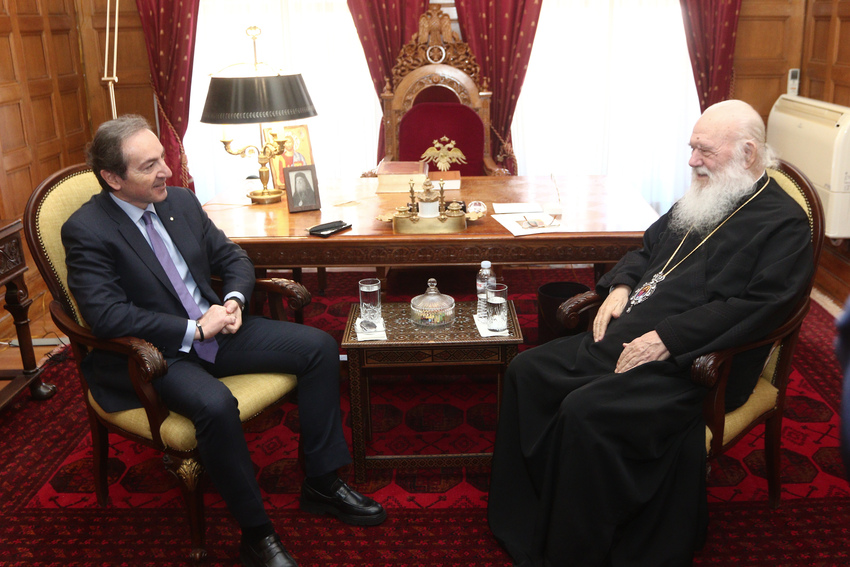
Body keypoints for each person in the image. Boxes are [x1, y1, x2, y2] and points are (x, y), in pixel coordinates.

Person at [488, 100, 815, 566]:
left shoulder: (785, 224)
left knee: (585, 411)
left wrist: (670, 338)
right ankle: (528, 516)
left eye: (705, 151)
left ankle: (576, 548)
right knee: (526, 370)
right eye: (691, 148)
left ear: (747, 153)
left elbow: (764, 307)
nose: (692, 161)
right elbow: (648, 247)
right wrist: (622, 285)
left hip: (697, 363)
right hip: (632, 333)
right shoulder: (708, 193)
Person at [62, 115, 386, 567]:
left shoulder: (179, 201)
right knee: (215, 404)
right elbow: (105, 315)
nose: (166, 171)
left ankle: (322, 482)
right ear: (113, 178)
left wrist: (233, 301)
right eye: (149, 166)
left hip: (219, 328)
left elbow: (232, 256)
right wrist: (194, 329)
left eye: (163, 158)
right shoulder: (87, 229)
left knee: (320, 348)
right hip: (156, 354)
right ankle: (256, 535)